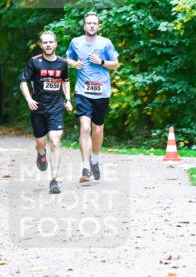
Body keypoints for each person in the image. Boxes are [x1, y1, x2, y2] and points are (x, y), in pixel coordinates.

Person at [65, 12, 120, 183]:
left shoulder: (106, 43)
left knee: (98, 129)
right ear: (84, 26)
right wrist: (74, 64)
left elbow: (116, 65)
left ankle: (95, 159)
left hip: (102, 92)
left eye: (94, 23)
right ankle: (85, 167)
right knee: (85, 128)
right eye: (89, 23)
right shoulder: (76, 42)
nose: (91, 25)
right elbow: (66, 59)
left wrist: (101, 62)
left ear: (98, 26)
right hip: (83, 92)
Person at [19, 31, 73, 194]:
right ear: (41, 45)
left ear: (56, 44)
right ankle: (41, 154)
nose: (48, 45)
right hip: (38, 109)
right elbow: (23, 81)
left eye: (51, 42)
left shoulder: (62, 63)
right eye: (45, 42)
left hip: (56, 108)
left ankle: (54, 180)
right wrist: (29, 99)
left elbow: (65, 81)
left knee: (55, 141)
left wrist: (68, 99)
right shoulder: (34, 62)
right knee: (41, 143)